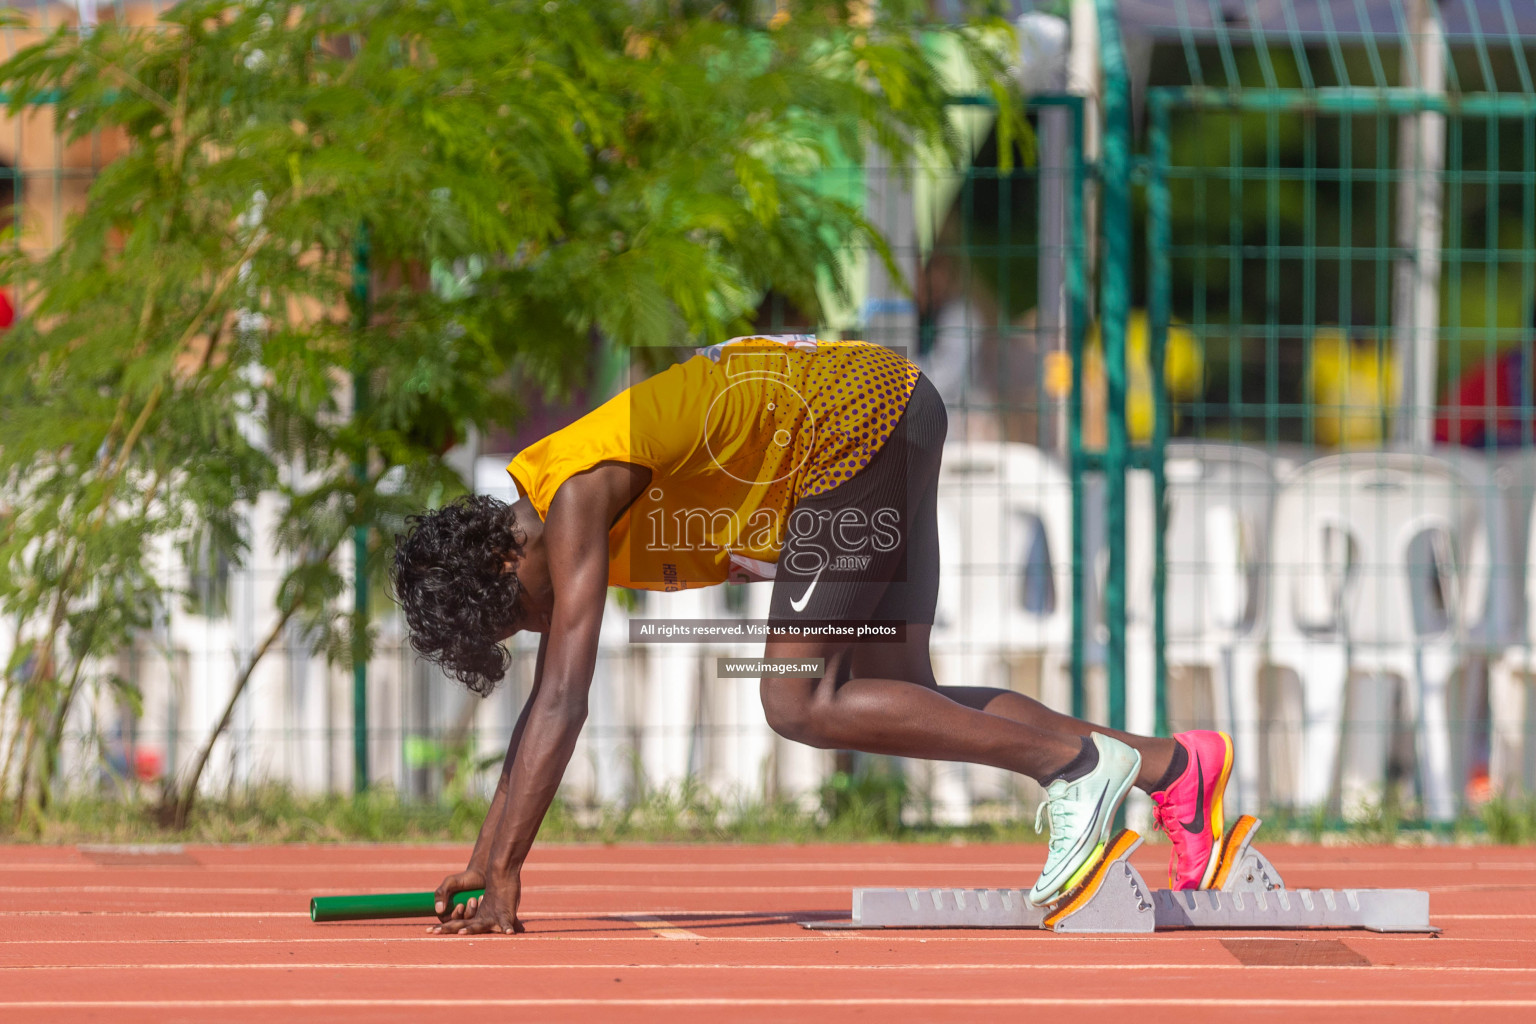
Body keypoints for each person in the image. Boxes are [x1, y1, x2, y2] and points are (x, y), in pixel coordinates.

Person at [391, 335, 1234, 936]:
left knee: (799, 701)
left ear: (507, 560)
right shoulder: (559, 506)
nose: (544, 623)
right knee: (903, 689)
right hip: (890, 409)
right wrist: (482, 858)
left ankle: (1074, 768)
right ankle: (1173, 768)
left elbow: (562, 700)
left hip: (850, 432)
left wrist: (506, 872)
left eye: (524, 612)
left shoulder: (571, 493)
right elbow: (549, 696)